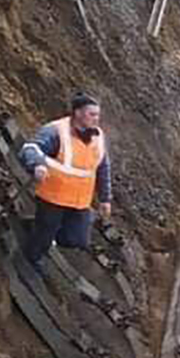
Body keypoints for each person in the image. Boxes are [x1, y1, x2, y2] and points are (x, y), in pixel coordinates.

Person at [18, 91, 112, 274]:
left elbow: (103, 168)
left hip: (80, 202)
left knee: (77, 239)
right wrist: (36, 165)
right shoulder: (55, 131)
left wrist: (105, 198)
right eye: (92, 114)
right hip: (53, 196)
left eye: (98, 115)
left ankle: (38, 228)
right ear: (77, 113)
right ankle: (32, 258)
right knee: (42, 237)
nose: (96, 119)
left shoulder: (98, 137)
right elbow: (30, 148)